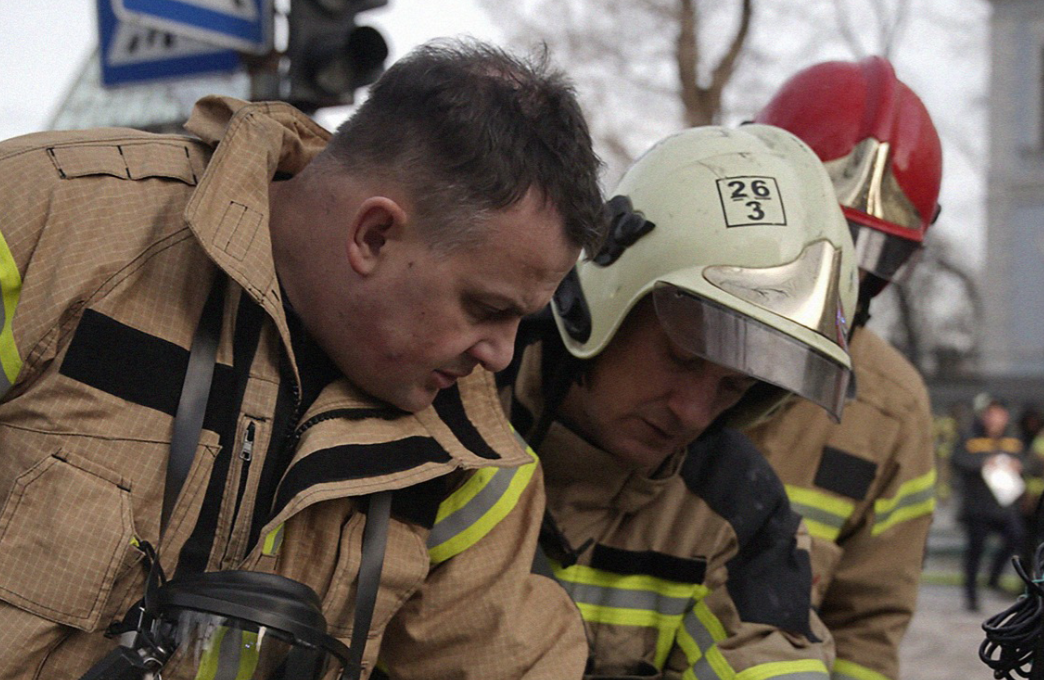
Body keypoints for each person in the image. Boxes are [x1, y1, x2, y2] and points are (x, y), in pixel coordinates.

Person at [0, 40, 607, 680]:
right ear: (373, 235)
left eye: (522, 319)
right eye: (486, 307)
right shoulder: (46, 225)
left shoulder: (471, 458)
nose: (501, 353)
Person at [497, 124, 859, 678]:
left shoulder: (739, 511)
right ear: (608, 296)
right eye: (684, 357)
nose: (693, 412)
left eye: (733, 385)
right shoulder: (449, 420)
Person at [744, 57, 942, 680]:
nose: (838, 278)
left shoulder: (890, 411)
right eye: (815, 235)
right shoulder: (658, 331)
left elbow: (869, 625)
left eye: (870, 252)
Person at [951, 399, 1025, 611]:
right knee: (975, 550)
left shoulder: (1013, 439)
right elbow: (958, 460)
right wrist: (983, 463)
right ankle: (972, 597)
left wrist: (1018, 464)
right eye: (990, 414)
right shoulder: (970, 437)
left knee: (1016, 537)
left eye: (998, 414)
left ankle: (993, 577)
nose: (993, 419)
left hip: (1005, 505)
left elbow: (1025, 461)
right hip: (978, 506)